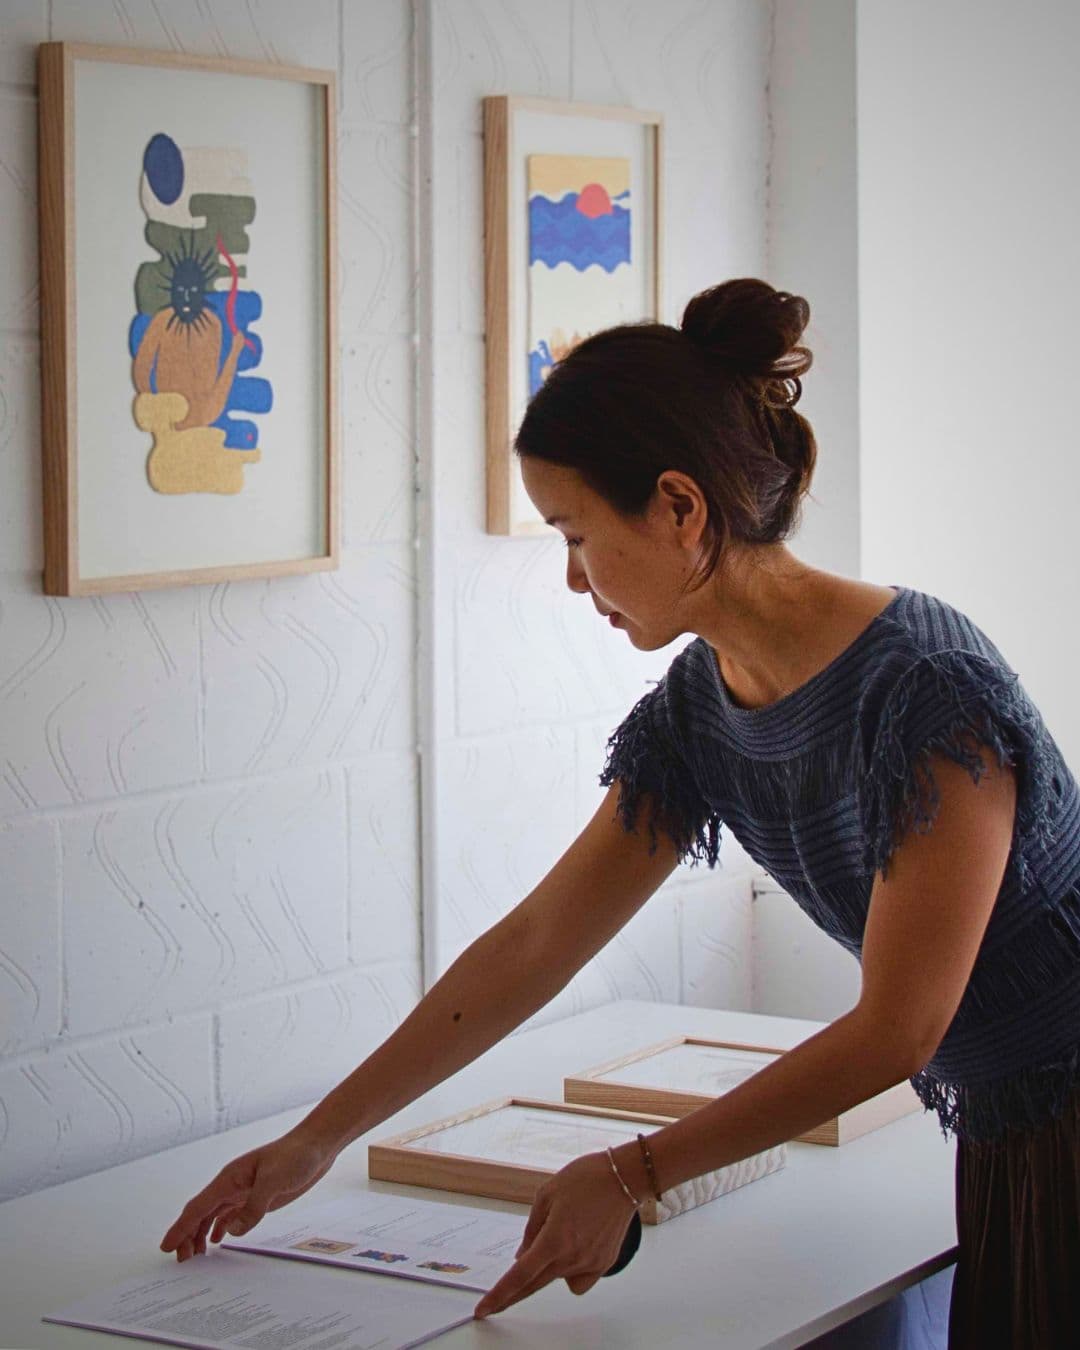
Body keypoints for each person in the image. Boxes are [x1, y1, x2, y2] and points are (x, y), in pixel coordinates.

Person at [161, 279, 1080, 1349]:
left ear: (681, 508)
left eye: (576, 535)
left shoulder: (926, 692)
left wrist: (633, 1173)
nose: (571, 577)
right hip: (1018, 1132)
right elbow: (539, 940)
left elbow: (897, 1030)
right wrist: (317, 1142)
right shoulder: (704, 706)